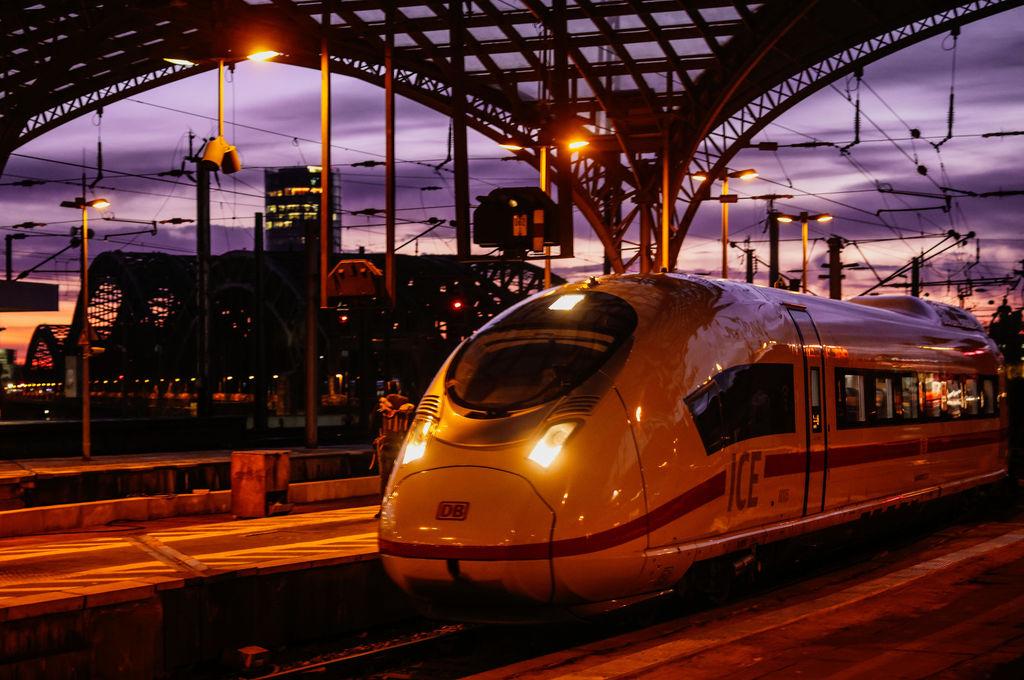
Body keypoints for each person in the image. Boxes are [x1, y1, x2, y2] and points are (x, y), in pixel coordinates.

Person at [372, 380, 414, 518]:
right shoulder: (406, 409)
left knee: (385, 479)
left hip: (386, 447)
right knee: (402, 479)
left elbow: (373, 425)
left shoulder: (382, 409)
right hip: (401, 448)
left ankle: (383, 508)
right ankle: (402, 507)